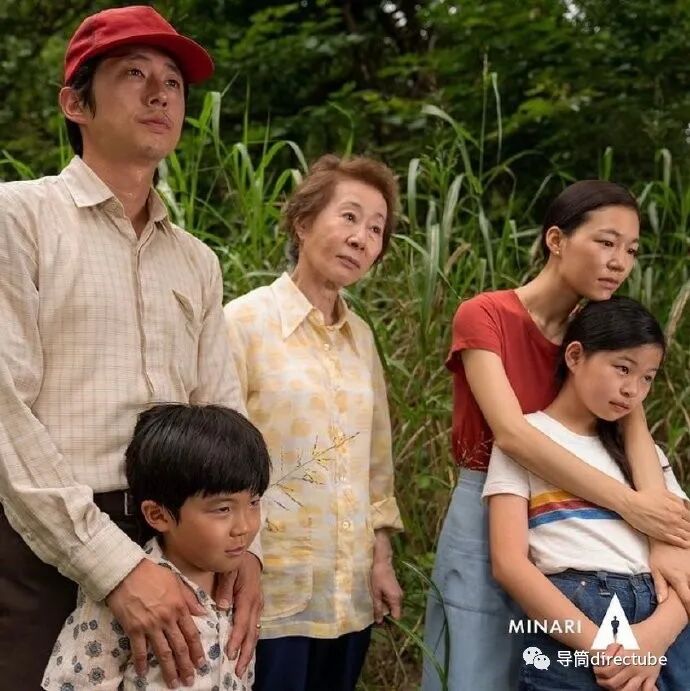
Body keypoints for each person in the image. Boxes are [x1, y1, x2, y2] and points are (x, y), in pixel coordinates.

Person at [0, 7, 260, 689]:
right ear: (75, 104)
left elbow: (221, 412)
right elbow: (6, 413)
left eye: (173, 82)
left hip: (180, 535)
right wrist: (114, 566)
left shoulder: (197, 259)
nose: (160, 94)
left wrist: (246, 549)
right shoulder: (19, 218)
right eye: (133, 74)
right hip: (42, 543)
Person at [421, 180, 690, 691]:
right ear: (556, 240)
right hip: (492, 503)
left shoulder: (597, 332)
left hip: (573, 524)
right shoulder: (487, 315)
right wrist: (632, 507)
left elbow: (633, 428)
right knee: (476, 666)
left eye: (631, 250)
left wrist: (663, 536)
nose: (619, 262)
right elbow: (512, 436)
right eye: (606, 242)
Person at [223, 154, 404, 691]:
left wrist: (381, 560)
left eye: (376, 229)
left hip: (349, 593)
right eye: (349, 217)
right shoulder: (244, 323)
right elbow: (218, 461)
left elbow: (376, 463)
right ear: (303, 223)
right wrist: (233, 563)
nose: (361, 238)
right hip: (268, 589)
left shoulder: (361, 337)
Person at [484, 297, 690, 690]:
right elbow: (509, 563)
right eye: (623, 368)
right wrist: (599, 648)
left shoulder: (645, 456)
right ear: (575, 356)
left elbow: (686, 557)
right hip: (576, 621)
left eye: (648, 377)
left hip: (661, 625)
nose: (633, 390)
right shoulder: (528, 441)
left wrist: (655, 638)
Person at [42, 403, 271, 691]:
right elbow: (75, 685)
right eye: (223, 509)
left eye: (254, 503)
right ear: (158, 515)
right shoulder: (124, 600)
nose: (244, 526)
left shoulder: (239, 589)